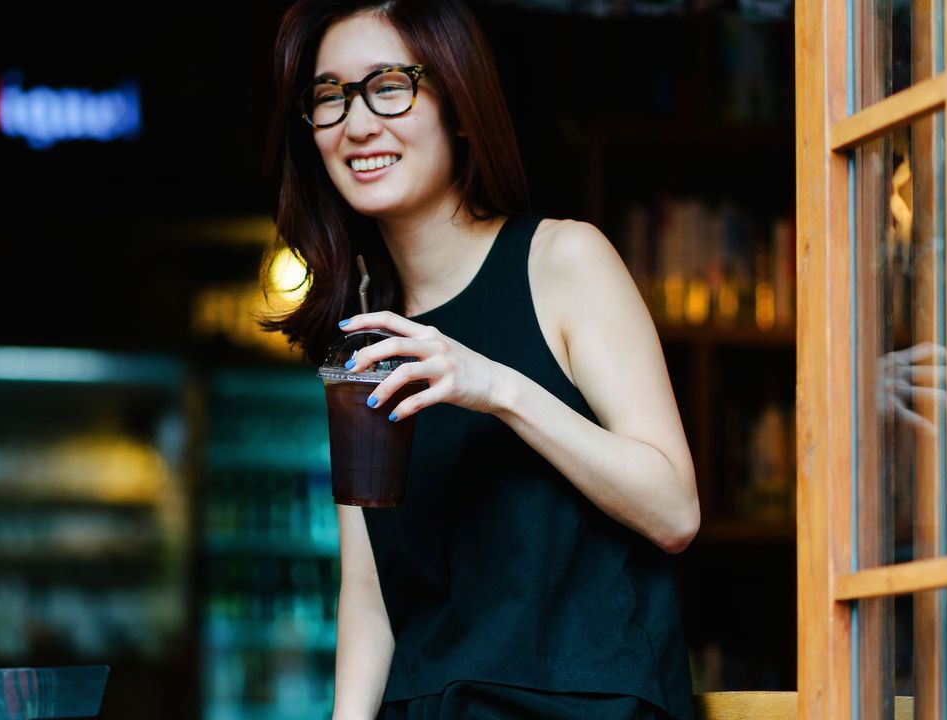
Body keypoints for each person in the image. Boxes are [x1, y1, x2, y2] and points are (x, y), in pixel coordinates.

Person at [262, 1, 699, 718]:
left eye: (389, 85)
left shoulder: (563, 260)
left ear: (460, 106)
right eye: (330, 96)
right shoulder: (365, 328)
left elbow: (674, 510)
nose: (358, 121)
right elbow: (368, 590)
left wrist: (495, 386)